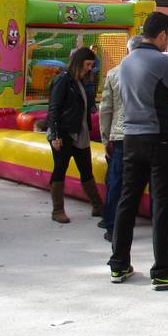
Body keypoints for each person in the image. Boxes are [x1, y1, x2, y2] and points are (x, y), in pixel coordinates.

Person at [108, 12, 168, 291]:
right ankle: (163, 271)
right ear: (161, 34)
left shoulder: (125, 62)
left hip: (131, 138)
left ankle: (119, 264)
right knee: (161, 205)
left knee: (127, 201)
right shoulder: (162, 62)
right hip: (160, 139)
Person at [46, 47, 103, 224]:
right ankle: (58, 209)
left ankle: (97, 205)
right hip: (64, 132)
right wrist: (55, 134)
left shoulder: (82, 81)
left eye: (92, 65)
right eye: (87, 64)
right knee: (60, 169)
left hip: (80, 133)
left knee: (86, 168)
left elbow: (86, 106)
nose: (89, 68)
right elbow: (54, 108)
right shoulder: (63, 80)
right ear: (79, 62)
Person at [99, 35, 142, 242]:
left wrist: (105, 137)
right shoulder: (148, 72)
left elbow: (106, 107)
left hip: (119, 134)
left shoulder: (114, 73)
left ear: (127, 50)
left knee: (116, 180)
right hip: (143, 133)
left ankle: (112, 224)